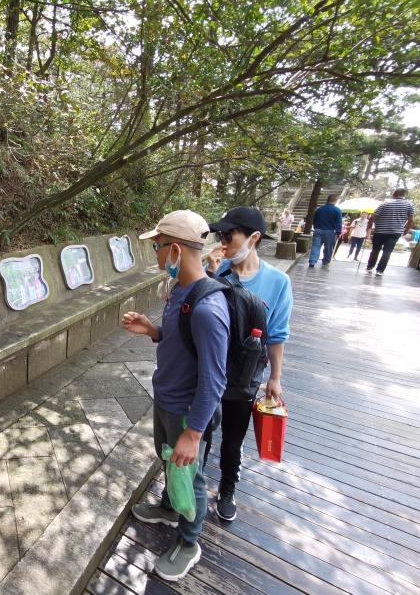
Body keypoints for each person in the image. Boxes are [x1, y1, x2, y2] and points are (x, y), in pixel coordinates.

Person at [122, 210, 229, 582]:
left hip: (187, 410)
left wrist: (194, 433)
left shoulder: (209, 309)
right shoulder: (181, 290)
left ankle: (189, 541)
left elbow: (214, 380)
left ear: (177, 250)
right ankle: (170, 508)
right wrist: (153, 330)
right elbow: (182, 340)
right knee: (169, 463)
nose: (155, 253)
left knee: (190, 477)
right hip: (167, 398)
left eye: (158, 246)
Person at [205, 207, 293, 522]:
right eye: (220, 235)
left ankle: (227, 487)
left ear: (254, 238)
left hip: (245, 374)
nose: (222, 242)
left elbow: (277, 335)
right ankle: (193, 485)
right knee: (200, 429)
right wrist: (210, 275)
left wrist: (275, 377)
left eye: (229, 236)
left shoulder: (277, 282)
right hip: (209, 368)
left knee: (233, 437)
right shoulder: (215, 270)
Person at [365, 188, 417, 276]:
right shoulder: (409, 204)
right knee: (387, 251)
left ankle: (370, 266)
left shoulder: (385, 203)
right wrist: (406, 229)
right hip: (395, 231)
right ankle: (380, 270)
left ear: (393, 194)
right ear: (404, 195)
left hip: (380, 230)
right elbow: (411, 220)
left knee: (375, 249)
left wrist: (369, 225)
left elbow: (373, 216)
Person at [309, 194, 343, 270]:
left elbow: (314, 220)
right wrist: (339, 232)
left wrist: (316, 227)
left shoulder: (319, 209)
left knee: (316, 246)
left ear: (327, 200)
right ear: (335, 201)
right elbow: (338, 222)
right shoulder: (337, 210)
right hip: (329, 230)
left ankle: (312, 261)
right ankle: (326, 261)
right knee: (328, 247)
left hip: (318, 229)